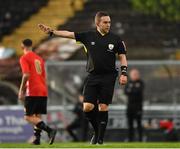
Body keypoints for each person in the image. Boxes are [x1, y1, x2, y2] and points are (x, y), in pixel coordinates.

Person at [38, 11, 128, 144]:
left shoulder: (116, 39)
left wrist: (124, 73)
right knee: (87, 107)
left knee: (103, 106)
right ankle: (97, 130)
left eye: (109, 22)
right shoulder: (88, 36)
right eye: (105, 22)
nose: (108, 24)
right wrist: (52, 32)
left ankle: (100, 139)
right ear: (97, 23)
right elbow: (69, 34)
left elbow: (122, 57)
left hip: (109, 77)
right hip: (93, 76)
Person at [18, 39, 57, 145]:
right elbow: (44, 76)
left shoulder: (24, 58)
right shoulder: (39, 58)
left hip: (33, 90)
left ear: (22, 46)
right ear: (32, 45)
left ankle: (50, 130)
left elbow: (26, 75)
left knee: (28, 116)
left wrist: (21, 90)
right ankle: (37, 139)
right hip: (42, 89)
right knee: (37, 115)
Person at [124, 68, 144, 142]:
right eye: (133, 74)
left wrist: (132, 89)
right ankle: (130, 139)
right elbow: (126, 92)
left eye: (136, 74)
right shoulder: (128, 83)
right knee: (130, 124)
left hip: (138, 107)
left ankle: (140, 139)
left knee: (139, 124)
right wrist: (133, 89)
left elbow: (138, 92)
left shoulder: (141, 83)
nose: (134, 76)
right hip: (130, 107)